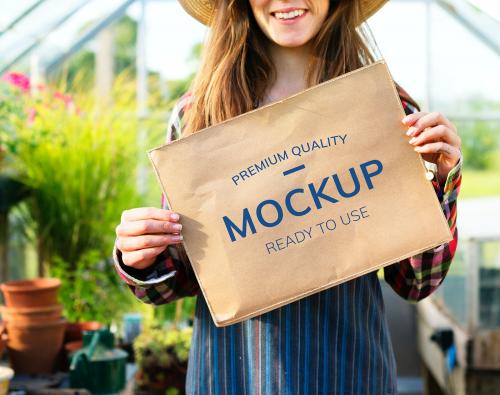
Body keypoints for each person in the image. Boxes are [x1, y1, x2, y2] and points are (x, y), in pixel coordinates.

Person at [113, 0, 463, 393]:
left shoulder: (386, 109)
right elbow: (178, 281)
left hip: (348, 375)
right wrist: (141, 255)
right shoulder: (198, 115)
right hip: (235, 376)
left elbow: (415, 282)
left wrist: (442, 181)